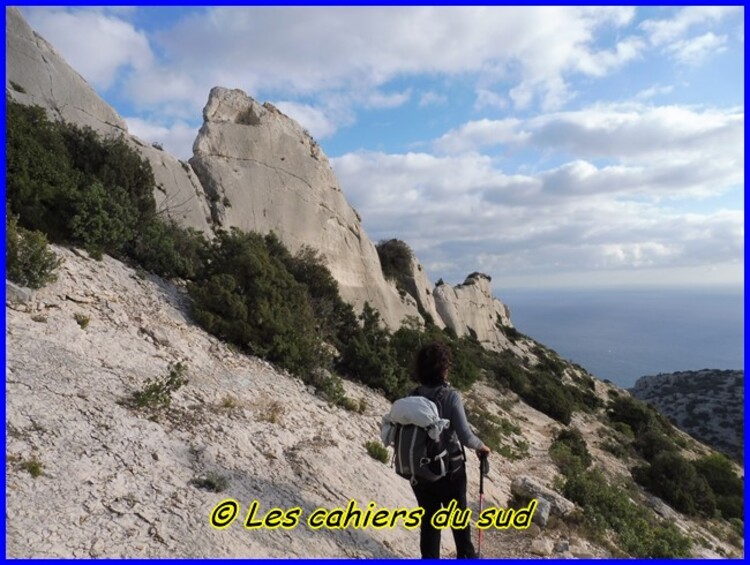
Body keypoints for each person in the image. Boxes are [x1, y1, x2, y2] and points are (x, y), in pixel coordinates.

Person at [410, 341, 491, 559]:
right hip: (450, 473)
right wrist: (482, 446)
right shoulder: (451, 396)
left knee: (429, 525)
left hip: (420, 472)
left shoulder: (412, 396)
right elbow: (465, 436)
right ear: (443, 368)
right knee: (459, 524)